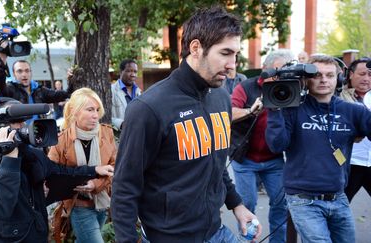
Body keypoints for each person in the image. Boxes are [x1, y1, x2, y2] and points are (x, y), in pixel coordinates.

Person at [111, 6, 261, 242]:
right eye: (225, 53)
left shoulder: (221, 98)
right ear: (195, 48)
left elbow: (217, 163)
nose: (233, 65)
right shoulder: (148, 108)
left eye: (235, 55)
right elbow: (125, 187)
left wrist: (237, 205)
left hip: (216, 231)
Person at [0, 98, 114, 242]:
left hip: (35, 235)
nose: (23, 127)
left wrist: (94, 170)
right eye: (16, 122)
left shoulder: (30, 154)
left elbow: (60, 172)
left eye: (24, 121)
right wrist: (9, 159)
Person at [265, 54, 371, 242]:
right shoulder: (291, 110)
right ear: (306, 80)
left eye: (330, 75)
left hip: (339, 197)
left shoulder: (354, 111)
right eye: (317, 75)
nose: (323, 80)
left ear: (338, 79)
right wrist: (274, 110)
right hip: (302, 199)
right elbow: (276, 145)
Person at [230, 49, 293, 243]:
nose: (280, 75)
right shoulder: (246, 87)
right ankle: (247, 240)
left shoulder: (291, 89)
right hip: (245, 159)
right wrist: (250, 110)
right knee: (247, 204)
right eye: (277, 70)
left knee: (280, 205)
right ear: (265, 68)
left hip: (273, 159)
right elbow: (229, 113)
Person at [48, 88, 116, 243]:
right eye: (90, 109)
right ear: (75, 112)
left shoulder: (106, 133)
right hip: (78, 205)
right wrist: (78, 181)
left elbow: (115, 166)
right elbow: (51, 172)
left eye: (97, 110)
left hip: (102, 202)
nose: (95, 115)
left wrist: (96, 184)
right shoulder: (61, 140)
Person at [340, 57, 371, 202]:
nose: (366, 79)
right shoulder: (338, 97)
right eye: (362, 74)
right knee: (339, 206)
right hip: (349, 163)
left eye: (370, 75)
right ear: (351, 74)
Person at [0, 52, 69, 105]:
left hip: (39, 127)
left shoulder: (39, 90)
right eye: (19, 71)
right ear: (14, 74)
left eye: (27, 71)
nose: (24, 74)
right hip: (18, 127)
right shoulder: (11, 89)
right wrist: (2, 61)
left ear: (31, 72)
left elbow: (64, 94)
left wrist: (72, 78)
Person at [111, 59, 142, 131]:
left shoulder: (139, 92)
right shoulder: (111, 91)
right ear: (121, 72)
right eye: (129, 71)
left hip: (136, 135)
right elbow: (104, 117)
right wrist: (120, 124)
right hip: (118, 138)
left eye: (135, 71)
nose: (133, 74)